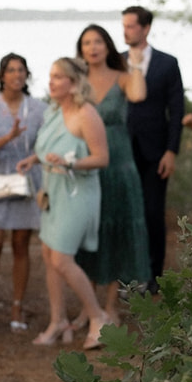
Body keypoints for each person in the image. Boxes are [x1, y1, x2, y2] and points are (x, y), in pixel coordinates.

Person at [18, 57, 110, 350]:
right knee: (48, 255)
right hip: (52, 191)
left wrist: (70, 163)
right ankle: (57, 320)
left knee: (61, 259)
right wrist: (35, 158)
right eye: (51, 75)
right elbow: (47, 146)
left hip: (77, 194)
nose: (52, 81)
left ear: (73, 84)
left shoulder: (87, 114)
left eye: (58, 77)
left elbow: (102, 158)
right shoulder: (54, 111)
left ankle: (98, 316)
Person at [73, 24, 150, 325]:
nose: (92, 47)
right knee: (89, 234)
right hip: (87, 164)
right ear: (80, 49)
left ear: (107, 46)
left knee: (116, 231)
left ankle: (111, 306)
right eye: (86, 43)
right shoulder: (77, 82)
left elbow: (140, 95)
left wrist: (136, 62)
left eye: (98, 42)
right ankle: (87, 307)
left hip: (119, 166)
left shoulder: (124, 77)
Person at [0, 53, 45, 332]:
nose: (16, 74)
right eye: (11, 70)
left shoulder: (39, 107)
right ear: (2, 75)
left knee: (20, 244)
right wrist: (9, 137)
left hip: (26, 178)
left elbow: (45, 140)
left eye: (21, 70)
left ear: (27, 75)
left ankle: (17, 305)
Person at [121, 6, 184, 288]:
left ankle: (153, 277)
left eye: (131, 26)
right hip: (121, 150)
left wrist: (172, 151)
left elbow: (176, 109)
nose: (126, 31)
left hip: (156, 151)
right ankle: (125, 276)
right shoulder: (116, 62)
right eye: (124, 26)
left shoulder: (167, 63)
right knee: (124, 212)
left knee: (152, 213)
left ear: (145, 28)